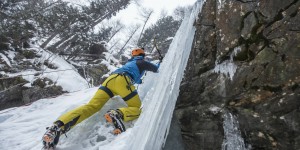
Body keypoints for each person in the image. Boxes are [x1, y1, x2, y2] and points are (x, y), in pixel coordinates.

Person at [42, 48, 162, 149]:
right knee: (136, 107)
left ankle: (57, 127)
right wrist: (161, 62)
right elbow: (156, 69)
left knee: (91, 107)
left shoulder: (129, 63)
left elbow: (137, 77)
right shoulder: (141, 62)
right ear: (141, 55)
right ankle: (117, 114)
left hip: (109, 81)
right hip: (122, 81)